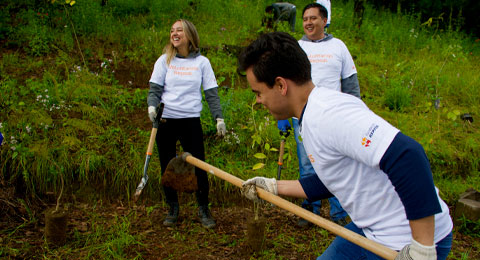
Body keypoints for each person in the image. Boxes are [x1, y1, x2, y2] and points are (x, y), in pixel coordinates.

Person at [239, 32, 453, 260]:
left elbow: (407, 155)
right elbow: (334, 178)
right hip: (371, 230)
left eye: (259, 93)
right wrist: (273, 186)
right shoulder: (311, 115)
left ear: (281, 85)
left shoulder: (328, 115)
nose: (258, 101)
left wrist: (422, 247)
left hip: (406, 240)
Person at [278, 2, 360, 227]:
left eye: (313, 18)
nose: (308, 22)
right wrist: (282, 116)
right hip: (301, 119)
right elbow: (283, 84)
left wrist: (355, 115)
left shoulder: (339, 47)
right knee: (307, 165)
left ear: (324, 21)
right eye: (305, 19)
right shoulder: (296, 48)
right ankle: (310, 211)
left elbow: (350, 84)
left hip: (333, 118)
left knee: (338, 163)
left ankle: (339, 213)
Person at [147, 19, 226, 229]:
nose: (174, 33)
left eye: (179, 30)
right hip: (165, 120)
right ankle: (172, 208)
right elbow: (154, 90)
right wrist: (152, 107)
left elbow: (211, 93)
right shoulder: (164, 61)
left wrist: (219, 117)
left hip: (190, 120)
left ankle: (203, 208)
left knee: (199, 165)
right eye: (172, 30)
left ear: (189, 35)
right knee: (167, 165)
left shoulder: (202, 63)